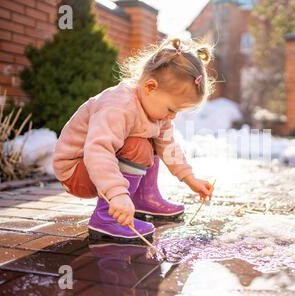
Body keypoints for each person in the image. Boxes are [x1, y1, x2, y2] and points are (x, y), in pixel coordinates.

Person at [53, 38, 215, 241]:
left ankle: (143, 198)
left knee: (153, 141)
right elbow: (98, 150)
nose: (172, 116)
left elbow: (169, 145)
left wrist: (190, 179)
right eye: (171, 109)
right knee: (139, 146)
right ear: (150, 87)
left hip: (99, 171)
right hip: (76, 169)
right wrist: (117, 194)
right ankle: (106, 218)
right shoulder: (118, 106)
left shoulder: (156, 111)